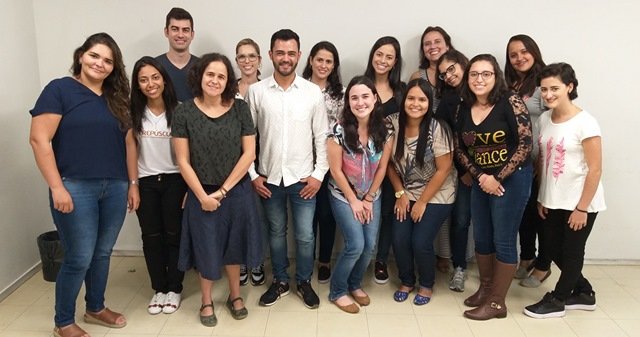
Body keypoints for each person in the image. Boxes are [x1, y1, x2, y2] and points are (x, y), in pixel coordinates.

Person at [29, 32, 136, 337]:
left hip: (114, 186)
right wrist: (56, 187)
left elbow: (129, 145)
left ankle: (95, 307)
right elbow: (39, 140)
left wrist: (132, 184)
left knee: (103, 252)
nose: (100, 64)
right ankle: (63, 322)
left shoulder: (117, 100)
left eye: (108, 60)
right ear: (80, 56)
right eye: (94, 56)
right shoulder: (59, 89)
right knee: (79, 256)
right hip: (75, 186)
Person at [172, 53, 263, 326]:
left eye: (221, 76)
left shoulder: (239, 108)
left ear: (228, 81)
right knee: (206, 247)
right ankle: (206, 300)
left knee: (234, 247)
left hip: (235, 190)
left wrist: (222, 192)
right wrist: (201, 196)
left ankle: (235, 296)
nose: (215, 80)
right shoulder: (184, 111)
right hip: (201, 193)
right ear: (199, 76)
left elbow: (249, 154)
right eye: (210, 74)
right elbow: (182, 160)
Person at [246, 29, 328, 309]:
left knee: (305, 235)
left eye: (291, 53)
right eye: (280, 52)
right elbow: (247, 139)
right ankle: (280, 281)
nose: (285, 58)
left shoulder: (312, 92)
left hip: (303, 179)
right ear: (270, 55)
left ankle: (303, 281)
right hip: (268, 180)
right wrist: (253, 176)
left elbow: (322, 138)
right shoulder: (256, 92)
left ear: (299, 56)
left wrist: (318, 176)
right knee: (276, 232)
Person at [524, 63, 605, 319]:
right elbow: (544, 161)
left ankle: (558, 299)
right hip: (552, 199)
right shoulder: (546, 119)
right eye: (544, 89)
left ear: (570, 87)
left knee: (571, 251)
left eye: (555, 89)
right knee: (553, 249)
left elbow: (595, 170)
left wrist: (582, 208)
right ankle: (583, 291)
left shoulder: (586, 122)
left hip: (579, 202)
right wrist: (542, 197)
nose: (548, 94)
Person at [455, 54, 532, 320]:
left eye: (486, 74)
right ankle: (486, 290)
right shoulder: (464, 106)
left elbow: (525, 144)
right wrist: (480, 176)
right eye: (474, 74)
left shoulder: (510, 101)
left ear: (496, 76)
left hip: (511, 180)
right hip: (481, 181)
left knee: (503, 239)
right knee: (483, 238)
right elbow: (460, 148)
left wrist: (496, 177)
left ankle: (497, 303)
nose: (479, 79)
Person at [327, 76, 393, 313]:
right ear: (348, 102)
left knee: (369, 246)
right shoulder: (338, 130)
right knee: (355, 244)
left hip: (371, 195)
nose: (360, 102)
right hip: (343, 194)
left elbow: (383, 167)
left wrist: (368, 198)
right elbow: (335, 170)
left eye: (365, 96)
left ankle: (355, 284)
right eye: (354, 97)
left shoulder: (386, 129)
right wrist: (354, 200)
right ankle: (337, 291)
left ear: (375, 98)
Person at [388, 79, 456, 305]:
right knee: (399, 238)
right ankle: (407, 281)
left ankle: (426, 284)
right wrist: (400, 193)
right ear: (403, 99)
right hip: (406, 191)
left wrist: (422, 202)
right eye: (411, 98)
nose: (415, 104)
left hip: (437, 193)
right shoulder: (391, 124)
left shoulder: (438, 128)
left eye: (422, 99)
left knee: (420, 241)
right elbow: (385, 163)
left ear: (429, 103)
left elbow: (444, 169)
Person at [129, 56, 187, 315]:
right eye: (143, 80)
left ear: (164, 79)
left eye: (154, 77)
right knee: (151, 237)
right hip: (146, 182)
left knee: (174, 236)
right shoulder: (134, 113)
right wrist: (133, 185)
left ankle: (174, 288)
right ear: (137, 85)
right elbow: (131, 151)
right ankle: (159, 289)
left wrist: (189, 188)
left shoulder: (181, 110)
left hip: (175, 180)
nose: (150, 84)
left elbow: (190, 154)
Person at [504, 34, 552, 288]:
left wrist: (541, 161)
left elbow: (553, 123)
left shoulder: (544, 83)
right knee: (524, 214)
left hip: (540, 163)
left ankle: (543, 266)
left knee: (541, 214)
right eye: (513, 54)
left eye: (524, 52)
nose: (519, 58)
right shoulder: (512, 86)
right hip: (519, 164)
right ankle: (526, 258)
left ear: (534, 52)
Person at [363, 36, 405, 284]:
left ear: (395, 62)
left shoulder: (401, 92)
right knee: (362, 211)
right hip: (362, 165)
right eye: (379, 54)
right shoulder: (361, 86)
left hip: (392, 164)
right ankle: (360, 257)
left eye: (389, 57)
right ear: (372, 55)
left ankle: (380, 260)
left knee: (388, 211)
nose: (383, 60)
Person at [302, 40, 344, 283]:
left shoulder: (340, 93)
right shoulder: (299, 88)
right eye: (319, 59)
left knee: (327, 215)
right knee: (306, 218)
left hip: (331, 163)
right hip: (303, 162)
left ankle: (325, 260)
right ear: (310, 60)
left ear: (334, 65)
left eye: (329, 61)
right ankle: (305, 263)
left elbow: (341, 129)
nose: (324, 65)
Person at [435, 50, 472, 292]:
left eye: (451, 69)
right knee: (460, 220)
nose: (447, 76)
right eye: (442, 74)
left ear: (462, 63)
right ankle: (460, 267)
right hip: (463, 172)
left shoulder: (486, 91)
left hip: (496, 170)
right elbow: (443, 134)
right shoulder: (448, 100)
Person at [234, 37, 266, 287]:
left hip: (261, 163)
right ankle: (241, 262)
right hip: (232, 164)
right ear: (236, 61)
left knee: (258, 217)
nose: (247, 61)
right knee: (238, 217)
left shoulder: (267, 88)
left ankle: (256, 261)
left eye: (251, 56)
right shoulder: (226, 89)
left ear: (259, 60)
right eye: (242, 56)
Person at [156, 7, 199, 102]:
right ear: (166, 32)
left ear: (192, 34)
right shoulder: (154, 66)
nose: (180, 35)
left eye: (185, 30)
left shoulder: (203, 67)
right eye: (175, 29)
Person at [409, 26, 454, 112]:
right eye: (427, 44)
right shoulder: (417, 76)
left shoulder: (459, 72)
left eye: (437, 42)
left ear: (447, 46)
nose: (432, 46)